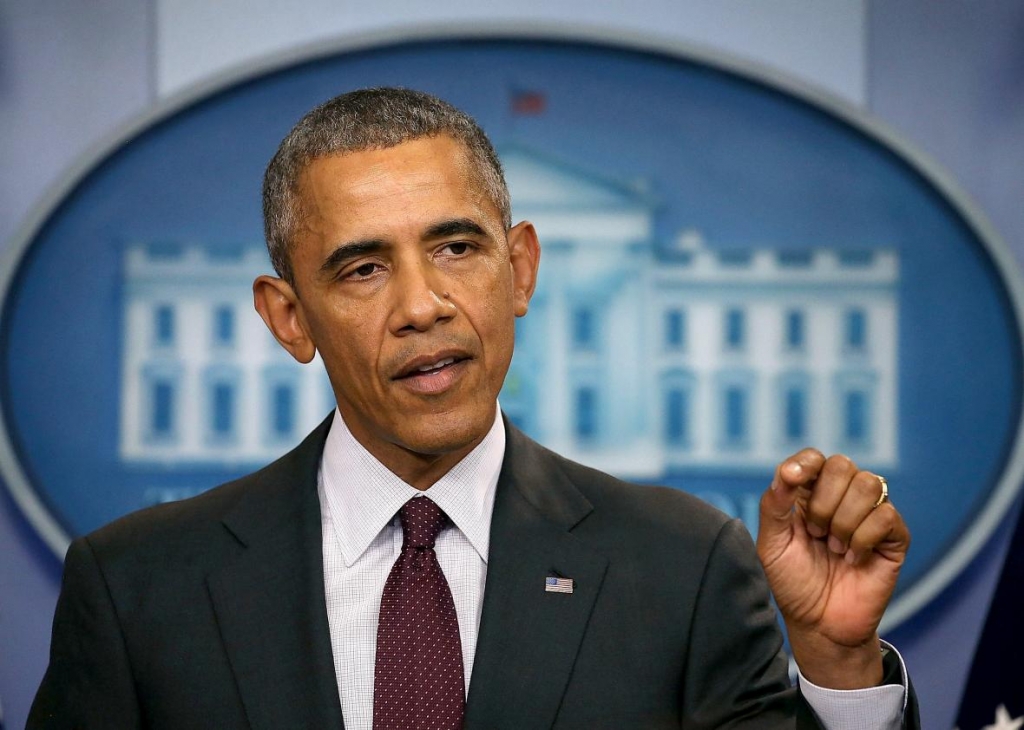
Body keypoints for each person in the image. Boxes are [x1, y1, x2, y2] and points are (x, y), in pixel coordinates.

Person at [29, 87, 918, 729]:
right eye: (364, 268)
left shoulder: (685, 567)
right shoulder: (138, 589)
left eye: (457, 247)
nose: (423, 305)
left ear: (520, 269)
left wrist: (836, 665)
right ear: (289, 317)